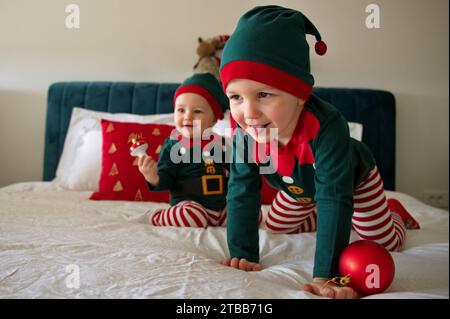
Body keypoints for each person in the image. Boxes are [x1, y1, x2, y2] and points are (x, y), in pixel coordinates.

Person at [218, 5, 419, 299]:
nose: (248, 112)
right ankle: (315, 216)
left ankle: (396, 216)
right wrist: (243, 254)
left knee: (385, 240)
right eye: (236, 97)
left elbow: (334, 198)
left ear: (300, 94)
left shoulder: (327, 127)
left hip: (351, 181)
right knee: (274, 224)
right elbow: (241, 191)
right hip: (297, 188)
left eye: (263, 94)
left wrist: (327, 275)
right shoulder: (244, 134)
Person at [138, 73, 230, 227]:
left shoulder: (221, 143)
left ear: (214, 118)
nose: (188, 116)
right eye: (181, 110)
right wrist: (153, 177)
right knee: (194, 215)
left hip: (220, 207)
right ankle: (157, 217)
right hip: (189, 206)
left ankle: (218, 217)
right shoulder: (174, 145)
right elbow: (166, 178)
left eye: (197, 111)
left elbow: (236, 172)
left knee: (250, 213)